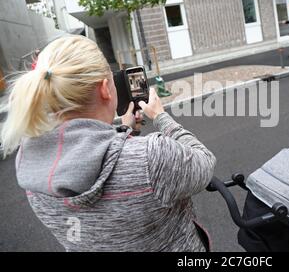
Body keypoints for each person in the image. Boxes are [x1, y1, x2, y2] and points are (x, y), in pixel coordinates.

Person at [0, 36, 216, 252]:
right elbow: (204, 162)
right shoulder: (153, 157)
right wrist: (160, 116)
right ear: (105, 88)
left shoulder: (30, 164)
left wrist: (125, 131)